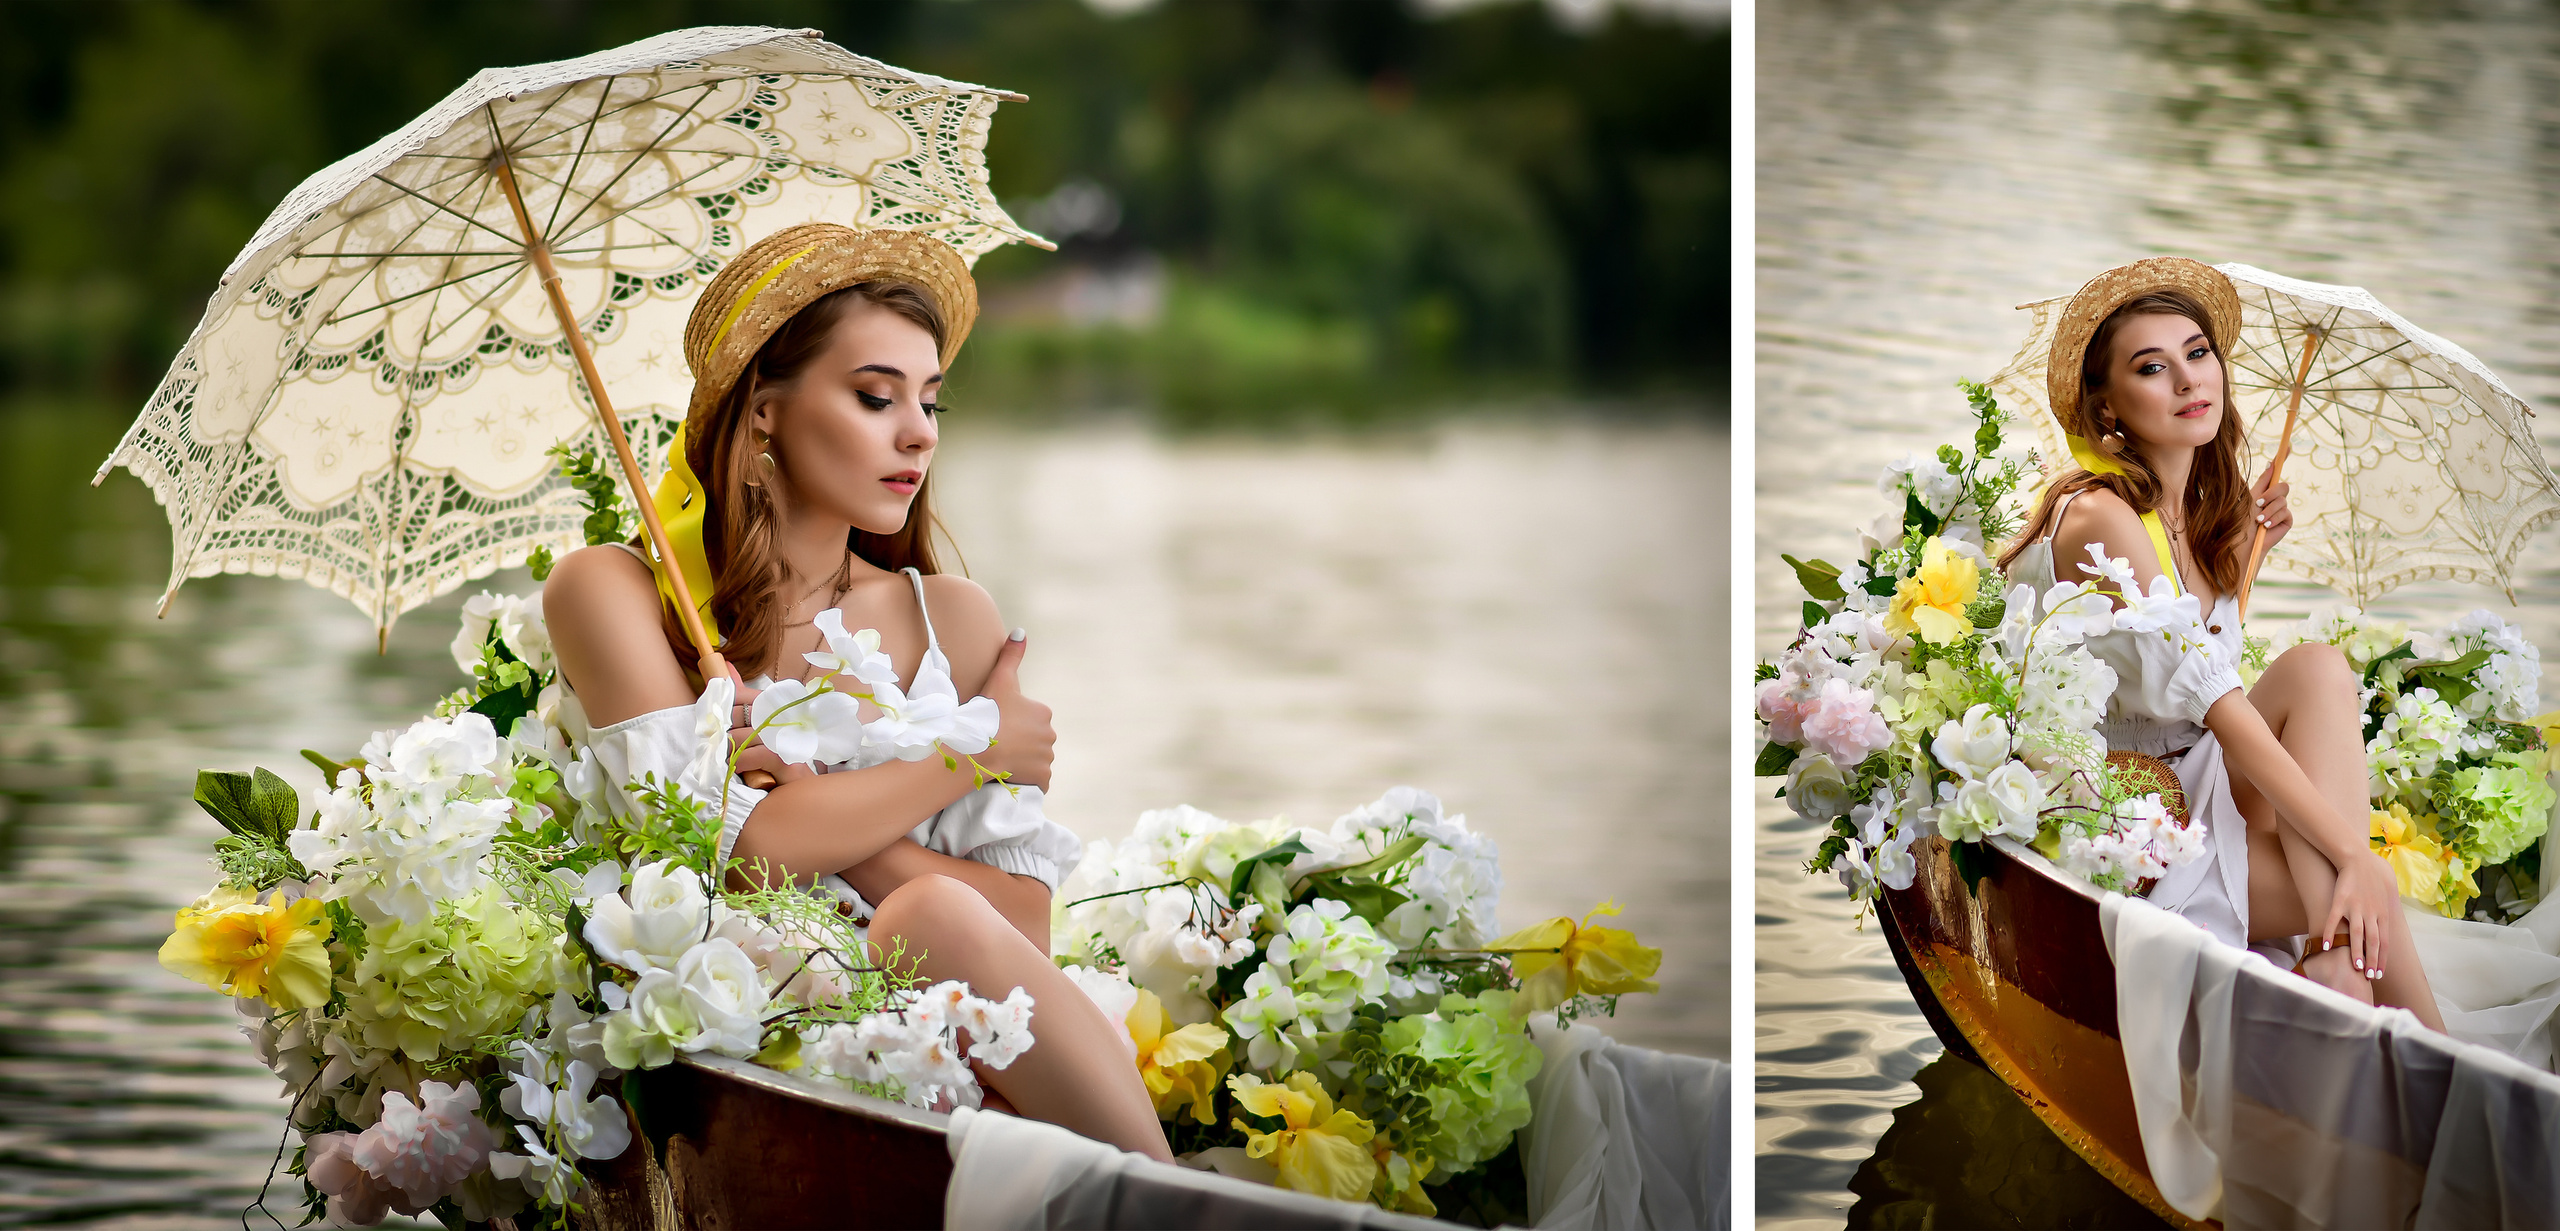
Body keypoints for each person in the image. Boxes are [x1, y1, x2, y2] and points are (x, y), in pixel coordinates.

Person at [541, 222, 1175, 1158]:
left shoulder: (949, 618)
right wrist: (969, 754)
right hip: (750, 1050)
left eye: (930, 403)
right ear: (762, 409)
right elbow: (740, 858)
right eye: (876, 396)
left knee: (927, 917)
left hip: (968, 1039)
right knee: (925, 912)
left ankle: (1171, 1197)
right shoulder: (616, 595)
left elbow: (1021, 925)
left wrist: (841, 817)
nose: (917, 432)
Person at [1998, 256, 2446, 1030]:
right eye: (2152, 367)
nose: (2187, 379)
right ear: (2108, 407)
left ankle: (2340, 966)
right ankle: (2438, 1061)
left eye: (2198, 353)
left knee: (2316, 669)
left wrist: (2248, 549)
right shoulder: (2099, 514)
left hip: (2201, 781)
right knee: (2359, 888)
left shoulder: (2202, 517)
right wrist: (2353, 852)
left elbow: (2191, 659)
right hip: (2137, 817)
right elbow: (2214, 703)